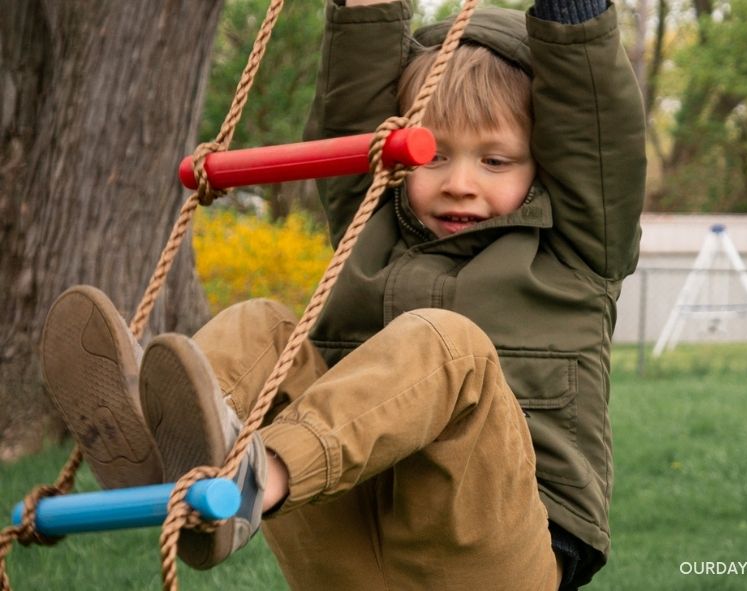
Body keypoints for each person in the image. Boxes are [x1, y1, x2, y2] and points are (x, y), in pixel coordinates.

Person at [40, 0, 645, 589]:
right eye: (432, 156)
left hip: (491, 550)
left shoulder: (575, 249)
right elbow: (353, 110)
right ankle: (160, 451)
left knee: (450, 345)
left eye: (494, 161)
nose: (460, 183)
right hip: (345, 528)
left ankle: (258, 477)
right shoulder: (371, 222)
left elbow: (595, 133)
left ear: (543, 166)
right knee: (260, 326)